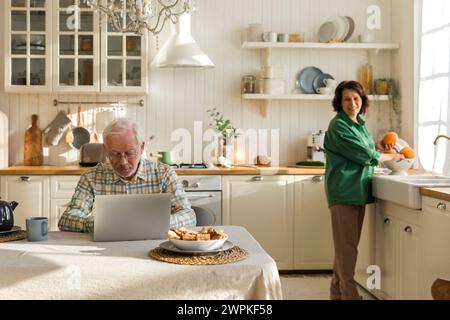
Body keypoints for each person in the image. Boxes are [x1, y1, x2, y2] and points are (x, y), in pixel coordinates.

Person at [324, 81, 404, 300]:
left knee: (345, 247)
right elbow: (365, 155)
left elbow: (369, 149)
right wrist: (393, 156)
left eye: (356, 98)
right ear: (339, 103)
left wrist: (380, 148)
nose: (352, 103)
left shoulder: (358, 124)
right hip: (343, 190)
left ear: (363, 101)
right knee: (347, 248)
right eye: (347, 99)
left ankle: (336, 293)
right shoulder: (339, 125)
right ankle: (350, 295)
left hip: (356, 190)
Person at [58, 118, 196, 233]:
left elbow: (189, 217)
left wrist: (154, 223)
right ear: (105, 150)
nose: (123, 162)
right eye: (115, 154)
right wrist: (101, 224)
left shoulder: (164, 174)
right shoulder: (91, 177)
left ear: (141, 147)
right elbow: (67, 220)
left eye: (129, 153)